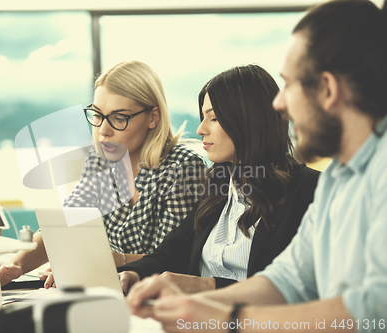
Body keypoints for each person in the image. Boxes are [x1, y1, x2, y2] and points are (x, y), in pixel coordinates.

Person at [126, 1, 387, 332]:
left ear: (327, 89)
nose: (279, 103)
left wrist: (225, 318)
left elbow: (375, 310)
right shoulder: (339, 178)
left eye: (290, 85)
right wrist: (194, 306)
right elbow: (287, 279)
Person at [0, 60, 206, 291]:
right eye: (97, 114)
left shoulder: (184, 167)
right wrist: (12, 268)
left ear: (153, 117)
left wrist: (94, 261)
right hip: (108, 289)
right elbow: (63, 228)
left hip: (161, 295)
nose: (103, 130)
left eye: (119, 117)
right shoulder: (101, 161)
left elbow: (173, 257)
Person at [119, 64, 319, 295]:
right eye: (203, 118)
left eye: (213, 118)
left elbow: (300, 289)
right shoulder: (219, 187)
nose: (200, 130)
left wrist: (208, 285)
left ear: (248, 120)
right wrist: (133, 272)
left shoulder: (309, 191)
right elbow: (170, 252)